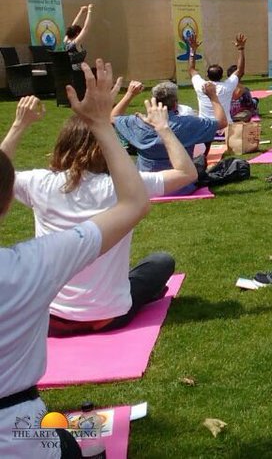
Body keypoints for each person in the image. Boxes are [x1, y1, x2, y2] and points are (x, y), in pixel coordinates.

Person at [0, 60, 150, 458]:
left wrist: (18, 128)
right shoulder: (30, 266)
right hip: (18, 439)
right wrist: (103, 124)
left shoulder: (35, 196)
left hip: (60, 323)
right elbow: (136, 201)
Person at [1, 94, 191, 337]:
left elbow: (0, 177)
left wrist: (20, 125)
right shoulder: (125, 188)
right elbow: (186, 173)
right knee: (161, 262)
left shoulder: (39, 183)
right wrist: (163, 128)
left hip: (51, 320)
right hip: (108, 317)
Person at [112, 81, 226, 196]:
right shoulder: (187, 123)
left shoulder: (137, 122)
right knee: (200, 162)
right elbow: (222, 122)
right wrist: (213, 96)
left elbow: (113, 117)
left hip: (145, 186)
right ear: (175, 104)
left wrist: (130, 94)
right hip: (181, 186)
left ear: (153, 102)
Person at [188, 33, 245, 122]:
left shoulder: (200, 85)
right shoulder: (228, 86)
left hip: (205, 127)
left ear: (207, 75)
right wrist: (241, 49)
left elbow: (191, 69)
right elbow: (240, 70)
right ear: (222, 76)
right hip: (225, 125)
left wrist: (193, 50)